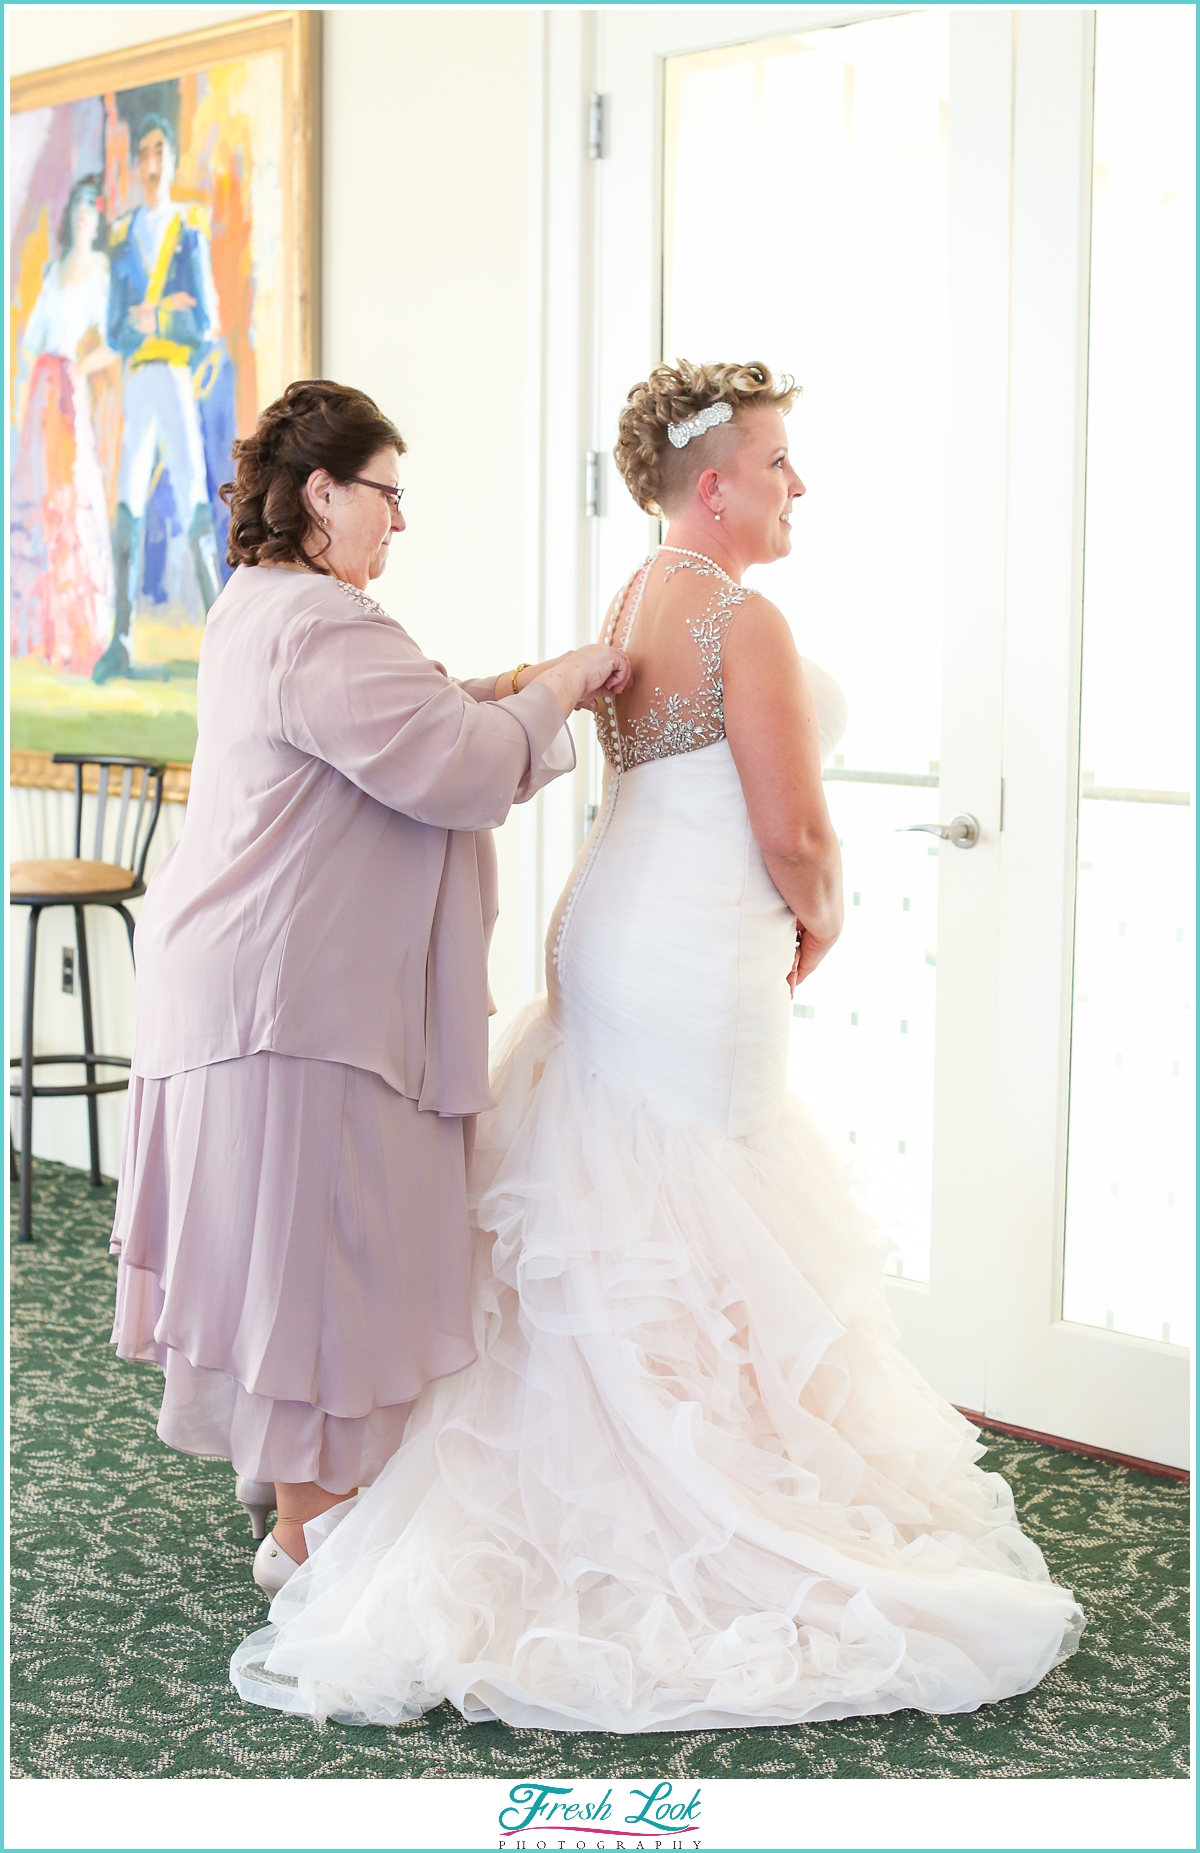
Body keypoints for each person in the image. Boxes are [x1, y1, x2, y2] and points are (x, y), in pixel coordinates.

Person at [231, 361, 1084, 1731]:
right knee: (697, 1209)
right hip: (690, 956)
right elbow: (795, 828)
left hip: (619, 933)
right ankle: (704, 1490)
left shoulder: (638, 594)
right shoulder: (741, 613)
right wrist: (825, 914)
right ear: (716, 483)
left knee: (615, 1200)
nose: (797, 483)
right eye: (780, 460)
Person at [108, 378, 630, 1593]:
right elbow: (449, 762)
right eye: (388, 494)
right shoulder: (322, 627)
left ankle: (290, 1484)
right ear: (322, 493)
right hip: (296, 1002)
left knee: (283, 1252)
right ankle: (311, 1541)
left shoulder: (266, 604)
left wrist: (516, 684)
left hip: (255, 984)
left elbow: (419, 714)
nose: (402, 521)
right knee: (319, 1262)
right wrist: (563, 684)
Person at [93, 113, 222, 683]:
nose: (151, 163)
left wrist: (161, 316)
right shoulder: (121, 239)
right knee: (128, 498)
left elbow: (205, 321)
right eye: (143, 152)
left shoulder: (187, 230)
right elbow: (115, 331)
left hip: (172, 376)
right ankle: (120, 637)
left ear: (170, 160)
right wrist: (140, 321)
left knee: (194, 492)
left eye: (159, 151)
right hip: (139, 379)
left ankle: (223, 635)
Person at [11, 174, 117, 677]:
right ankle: (37, 630)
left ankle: (77, 631)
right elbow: (32, 337)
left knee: (73, 501)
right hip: (42, 392)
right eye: (75, 207)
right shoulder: (54, 270)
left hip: (72, 389)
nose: (81, 216)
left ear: (96, 220)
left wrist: (81, 366)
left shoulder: (101, 271)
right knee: (38, 500)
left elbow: (113, 341)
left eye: (89, 209)